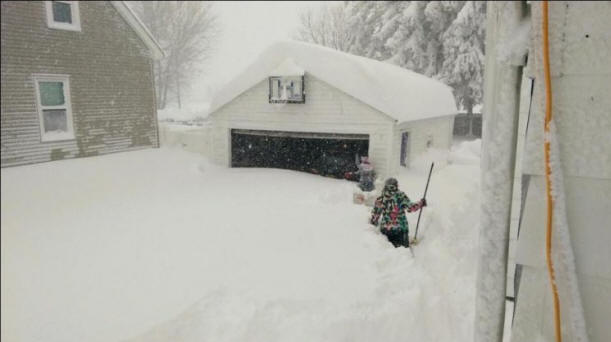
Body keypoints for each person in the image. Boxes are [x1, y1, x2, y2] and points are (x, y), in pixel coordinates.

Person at [369, 178, 426, 248]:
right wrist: (421, 203)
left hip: (386, 230)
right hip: (401, 229)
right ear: (396, 185)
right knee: (403, 252)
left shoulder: (381, 198)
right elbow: (410, 208)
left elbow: (375, 216)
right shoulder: (401, 196)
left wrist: (373, 223)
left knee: (388, 250)